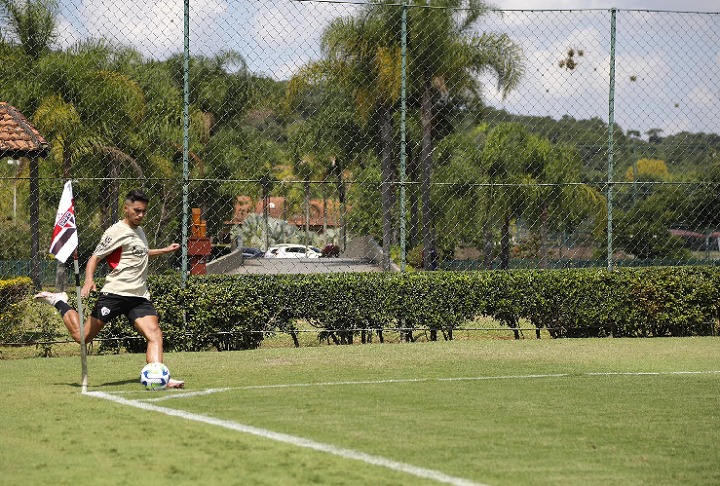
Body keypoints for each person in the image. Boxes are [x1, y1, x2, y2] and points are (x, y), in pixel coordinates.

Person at [36, 189, 184, 388]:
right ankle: (60, 301)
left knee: (154, 333)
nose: (141, 215)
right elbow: (95, 258)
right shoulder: (116, 231)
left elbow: (140, 252)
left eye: (144, 211)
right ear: (126, 208)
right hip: (115, 294)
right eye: (137, 210)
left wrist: (164, 250)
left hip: (139, 296)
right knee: (82, 337)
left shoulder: (139, 230)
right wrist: (89, 281)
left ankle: (159, 377)